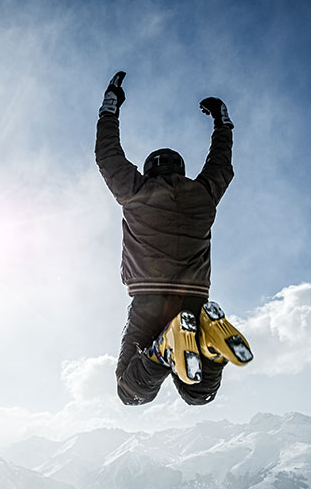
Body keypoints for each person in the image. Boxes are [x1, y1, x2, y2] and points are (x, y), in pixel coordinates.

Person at [95, 70, 252, 406]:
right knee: (199, 394)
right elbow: (222, 164)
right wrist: (222, 124)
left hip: (148, 300)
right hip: (194, 301)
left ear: (149, 169)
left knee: (130, 390)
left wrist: (110, 107)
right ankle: (209, 348)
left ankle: (163, 348)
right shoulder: (203, 193)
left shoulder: (136, 191)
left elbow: (107, 156)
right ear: (180, 169)